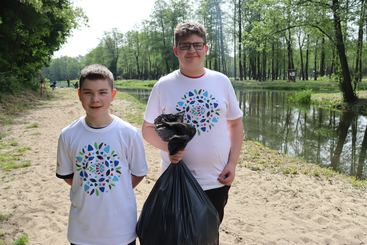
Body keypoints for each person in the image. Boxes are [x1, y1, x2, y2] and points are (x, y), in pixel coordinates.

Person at [142, 21, 244, 225]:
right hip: (177, 181)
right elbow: (147, 130)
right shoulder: (164, 85)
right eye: (185, 45)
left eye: (197, 45)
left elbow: (236, 124)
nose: (192, 50)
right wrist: (168, 147)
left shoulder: (221, 81)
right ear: (176, 50)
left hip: (216, 180)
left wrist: (232, 163)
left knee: (208, 235)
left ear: (205, 49)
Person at [56, 64, 148, 245]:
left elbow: (138, 173)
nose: (95, 99)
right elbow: (69, 177)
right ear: (79, 94)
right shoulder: (67, 135)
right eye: (88, 92)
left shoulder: (129, 133)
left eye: (102, 92)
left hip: (121, 231)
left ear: (113, 94)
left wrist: (117, 188)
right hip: (82, 232)